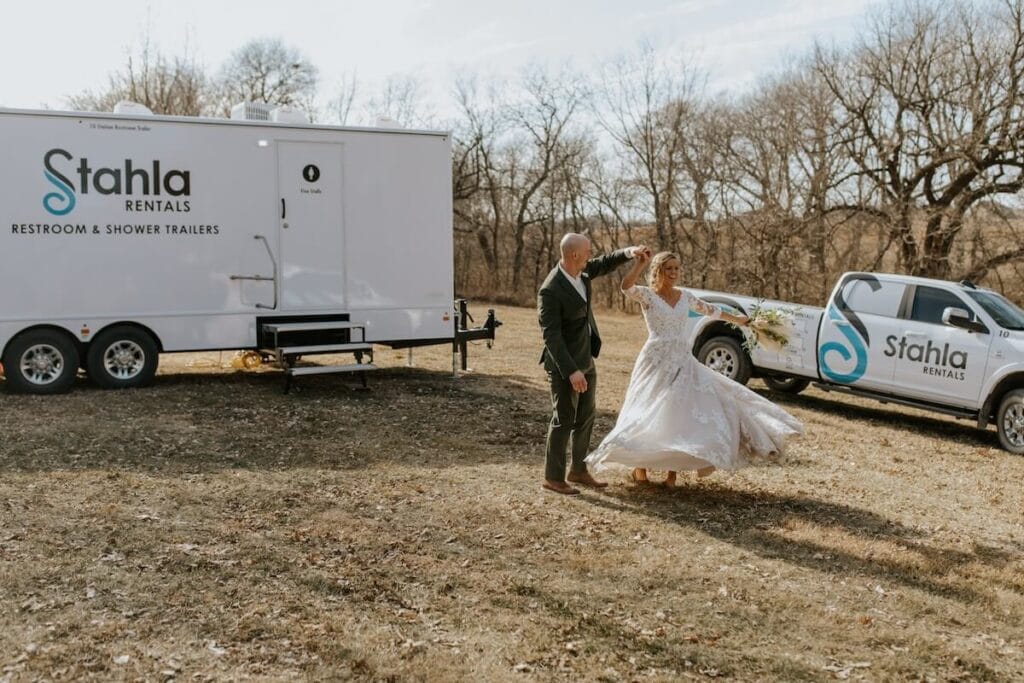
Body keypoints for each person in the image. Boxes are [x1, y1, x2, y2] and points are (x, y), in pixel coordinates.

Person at [585, 251, 802, 487]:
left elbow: (712, 311)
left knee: (679, 412)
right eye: (669, 269)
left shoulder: (685, 297)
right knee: (648, 408)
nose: (674, 273)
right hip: (655, 359)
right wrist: (639, 264)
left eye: (677, 268)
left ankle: (671, 473)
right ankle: (641, 468)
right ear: (658, 271)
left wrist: (742, 321)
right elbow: (626, 287)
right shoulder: (648, 296)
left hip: (682, 359)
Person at [538, 234, 650, 495]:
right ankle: (552, 477)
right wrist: (571, 371)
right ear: (575, 254)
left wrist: (629, 252)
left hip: (586, 358)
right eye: (587, 251)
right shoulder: (551, 289)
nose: (591, 255)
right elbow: (551, 336)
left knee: (586, 417)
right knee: (563, 419)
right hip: (565, 366)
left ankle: (578, 470)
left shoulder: (583, 272)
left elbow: (604, 263)